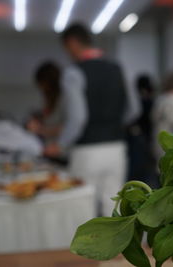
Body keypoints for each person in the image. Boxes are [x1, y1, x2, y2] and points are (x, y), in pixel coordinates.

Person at [44, 24, 127, 216]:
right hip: (116, 147)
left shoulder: (74, 72)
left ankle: (80, 248)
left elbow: (78, 118)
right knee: (113, 208)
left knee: (82, 209)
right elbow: (133, 110)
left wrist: (62, 145)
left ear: (72, 43)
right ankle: (117, 247)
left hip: (87, 149)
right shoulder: (117, 68)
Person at [28, 61, 64, 145]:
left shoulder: (63, 101)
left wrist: (40, 130)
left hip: (60, 149)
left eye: (42, 85)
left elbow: (67, 128)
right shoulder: (49, 100)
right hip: (49, 147)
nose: (41, 89)